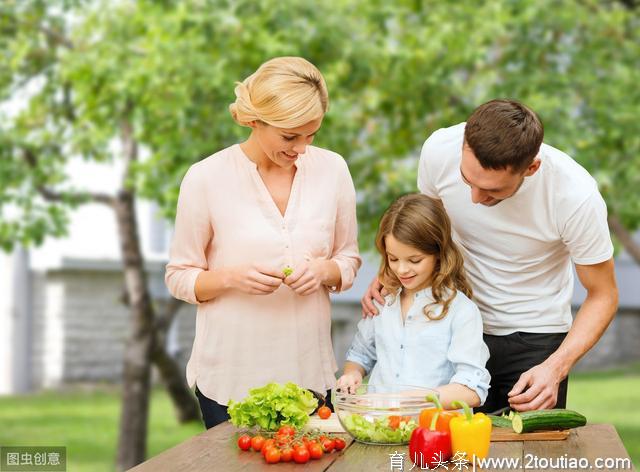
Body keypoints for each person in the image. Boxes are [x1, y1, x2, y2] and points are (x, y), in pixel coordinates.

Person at [362, 99, 618, 413]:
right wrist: (392, 271)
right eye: (467, 180)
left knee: (526, 457)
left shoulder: (575, 197)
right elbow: (427, 233)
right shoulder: (439, 150)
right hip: (450, 323)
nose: (474, 197)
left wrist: (555, 367)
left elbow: (603, 294)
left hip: (534, 339)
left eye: (492, 191)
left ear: (531, 167)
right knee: (450, 454)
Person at [165, 57, 361, 428]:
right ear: (255, 120)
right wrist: (231, 278)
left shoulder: (333, 170)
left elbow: (348, 258)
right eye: (290, 136)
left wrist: (324, 271)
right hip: (230, 380)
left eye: (312, 134)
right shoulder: (206, 178)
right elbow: (179, 276)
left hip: (309, 376)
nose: (302, 147)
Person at [338, 194, 490, 408]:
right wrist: (353, 374)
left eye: (414, 260)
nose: (401, 269)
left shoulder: (461, 310)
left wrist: (400, 402)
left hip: (431, 430)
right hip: (379, 427)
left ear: (438, 252)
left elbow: (471, 390)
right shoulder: (383, 300)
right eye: (393, 259)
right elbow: (360, 354)